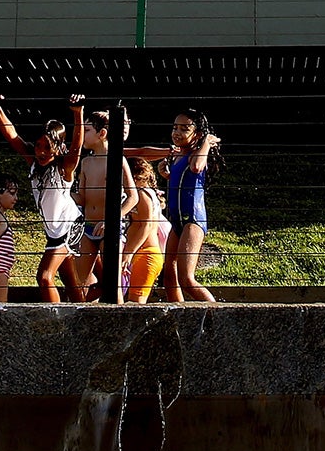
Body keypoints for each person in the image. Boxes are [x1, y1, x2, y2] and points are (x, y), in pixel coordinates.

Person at [0, 93, 86, 302]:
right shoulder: (33, 162)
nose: (41, 152)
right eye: (38, 146)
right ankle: (83, 315)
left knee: (44, 277)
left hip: (69, 227)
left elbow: (76, 147)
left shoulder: (63, 169)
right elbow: (13, 137)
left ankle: (56, 319)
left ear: (58, 148)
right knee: (71, 284)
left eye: (47, 147)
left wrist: (78, 114)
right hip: (53, 231)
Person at [131, 108, 221, 302]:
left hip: (193, 221)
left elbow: (196, 168)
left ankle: (219, 317)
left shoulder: (198, 153)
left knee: (186, 279)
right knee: (169, 275)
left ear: (196, 134)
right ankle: (179, 315)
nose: (177, 133)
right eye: (175, 128)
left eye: (184, 129)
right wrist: (168, 175)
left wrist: (205, 143)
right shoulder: (178, 154)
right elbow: (184, 182)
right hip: (177, 222)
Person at [72, 109, 138, 300]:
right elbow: (83, 198)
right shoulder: (86, 162)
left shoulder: (117, 160)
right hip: (89, 226)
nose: (83, 135)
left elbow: (133, 197)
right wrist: (63, 193)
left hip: (109, 227)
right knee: (80, 281)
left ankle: (118, 320)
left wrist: (112, 219)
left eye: (88, 130)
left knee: (113, 281)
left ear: (102, 133)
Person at [122, 158, 169, 304]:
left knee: (136, 304)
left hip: (146, 254)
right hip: (143, 253)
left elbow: (146, 225)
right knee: (131, 303)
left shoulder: (142, 194)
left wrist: (128, 254)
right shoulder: (147, 193)